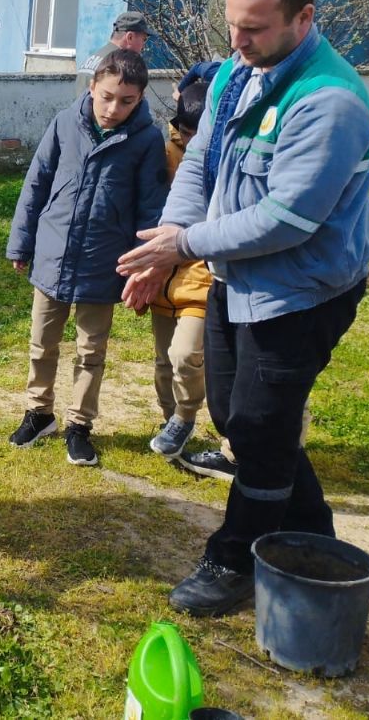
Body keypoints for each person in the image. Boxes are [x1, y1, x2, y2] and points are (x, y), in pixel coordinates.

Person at [117, 0, 369, 617]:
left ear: (303, 17)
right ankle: (312, 535)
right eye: (232, 25)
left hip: (303, 287)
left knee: (260, 423)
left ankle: (235, 555)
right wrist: (164, 248)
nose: (237, 42)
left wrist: (186, 243)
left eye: (255, 29)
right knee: (235, 413)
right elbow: (202, 158)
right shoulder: (241, 70)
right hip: (237, 272)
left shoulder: (331, 102)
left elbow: (285, 220)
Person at [6, 49, 168, 467]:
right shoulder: (64, 123)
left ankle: (79, 424)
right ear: (93, 86)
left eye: (126, 101)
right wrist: (21, 243)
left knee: (90, 350)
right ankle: (39, 413)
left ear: (141, 97)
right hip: (53, 253)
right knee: (42, 344)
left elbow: (151, 207)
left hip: (103, 259)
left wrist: (146, 265)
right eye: (107, 96)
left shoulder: (147, 140)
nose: (114, 108)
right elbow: (36, 185)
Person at [147, 80, 212, 459]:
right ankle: (169, 419)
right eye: (183, 132)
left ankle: (185, 416)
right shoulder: (167, 150)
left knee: (185, 354)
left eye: (195, 134)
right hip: (161, 275)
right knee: (162, 359)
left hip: (201, 276)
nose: (188, 141)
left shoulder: (220, 158)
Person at [77, 10, 151, 91]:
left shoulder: (93, 58)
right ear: (130, 37)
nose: (143, 46)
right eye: (144, 39)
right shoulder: (120, 65)